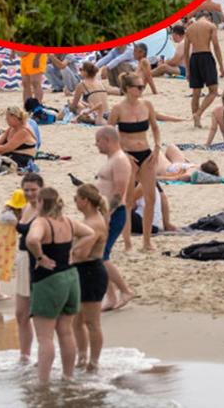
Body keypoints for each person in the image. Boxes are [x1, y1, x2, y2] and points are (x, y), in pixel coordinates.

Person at [25, 187, 97, 385]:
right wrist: (75, 251)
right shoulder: (68, 221)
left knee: (45, 337)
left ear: (40, 203)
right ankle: (68, 377)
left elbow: (32, 239)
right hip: (70, 278)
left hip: (49, 280)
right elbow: (90, 233)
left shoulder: (41, 221)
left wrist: (40, 256)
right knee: (65, 331)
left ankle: (43, 383)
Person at [109, 72, 161, 251]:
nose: (142, 89)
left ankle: (147, 241)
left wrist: (157, 147)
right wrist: (121, 153)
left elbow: (155, 127)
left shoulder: (147, 105)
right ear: (127, 89)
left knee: (151, 198)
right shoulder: (118, 108)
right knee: (128, 201)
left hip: (146, 153)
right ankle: (128, 243)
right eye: (139, 87)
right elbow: (109, 133)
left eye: (143, 86)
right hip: (127, 156)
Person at [94, 126, 135, 311]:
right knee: (98, 256)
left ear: (107, 140)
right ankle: (110, 296)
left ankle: (125, 290)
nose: (96, 144)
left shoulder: (120, 160)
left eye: (98, 141)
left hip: (113, 213)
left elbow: (119, 191)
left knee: (102, 256)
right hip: (103, 213)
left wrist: (107, 215)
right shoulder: (111, 159)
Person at [71, 184, 109, 373]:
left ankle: (94, 362)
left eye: (76, 198)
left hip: (91, 272)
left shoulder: (94, 223)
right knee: (76, 321)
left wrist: (72, 249)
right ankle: (82, 356)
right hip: (81, 271)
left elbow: (82, 253)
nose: (75, 202)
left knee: (92, 322)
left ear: (85, 201)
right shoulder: (88, 219)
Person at [13, 173, 43, 364]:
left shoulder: (43, 210)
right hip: (22, 259)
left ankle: (43, 353)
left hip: (35, 261)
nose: (30, 193)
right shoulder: (25, 207)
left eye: (33, 190)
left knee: (38, 313)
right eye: (26, 190)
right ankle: (24, 356)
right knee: (20, 313)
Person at [183, 14, 224, 128]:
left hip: (194, 58)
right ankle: (198, 114)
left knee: (196, 92)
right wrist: (221, 66)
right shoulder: (211, 26)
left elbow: (186, 51)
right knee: (213, 91)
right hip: (206, 56)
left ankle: (196, 122)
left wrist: (187, 69)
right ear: (208, 17)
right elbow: (216, 46)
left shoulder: (189, 29)